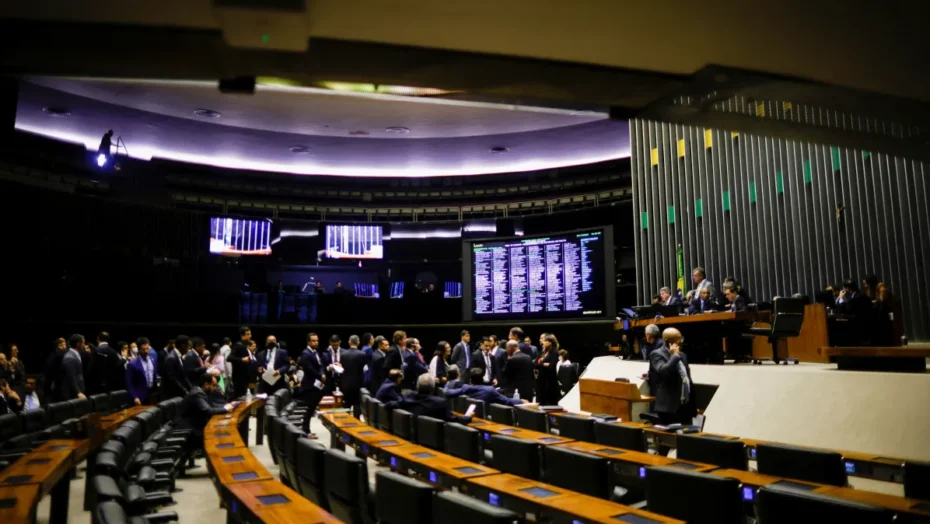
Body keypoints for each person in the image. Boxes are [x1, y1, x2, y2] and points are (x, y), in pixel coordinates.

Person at [177, 374, 232, 468]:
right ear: (206, 384)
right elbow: (208, 411)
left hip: (192, 425)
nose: (215, 388)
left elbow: (210, 407)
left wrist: (225, 407)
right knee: (219, 435)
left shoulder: (199, 392)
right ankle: (219, 468)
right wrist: (225, 409)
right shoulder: (197, 394)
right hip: (190, 429)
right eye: (213, 385)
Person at [648, 328, 695, 426]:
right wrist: (675, 356)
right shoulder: (656, 354)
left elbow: (686, 379)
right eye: (678, 339)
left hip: (685, 407)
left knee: (687, 438)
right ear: (668, 342)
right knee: (670, 440)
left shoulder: (683, 355)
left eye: (681, 337)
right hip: (669, 408)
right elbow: (663, 372)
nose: (681, 341)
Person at [385, 374, 471, 424]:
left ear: (417, 386)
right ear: (433, 388)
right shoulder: (439, 403)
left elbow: (390, 404)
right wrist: (468, 417)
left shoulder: (409, 396)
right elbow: (453, 419)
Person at [445, 368, 525, 407]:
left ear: (470, 380)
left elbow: (447, 392)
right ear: (482, 379)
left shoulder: (465, 388)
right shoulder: (489, 390)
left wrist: (447, 383)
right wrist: (521, 401)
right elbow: (507, 401)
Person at [298, 332, 325, 438]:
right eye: (313, 341)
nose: (315, 342)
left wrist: (322, 373)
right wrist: (320, 376)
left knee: (311, 409)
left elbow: (321, 365)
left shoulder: (315, 352)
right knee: (308, 410)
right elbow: (309, 370)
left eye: (317, 340)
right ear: (308, 342)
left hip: (316, 384)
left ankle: (307, 430)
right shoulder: (305, 354)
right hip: (309, 385)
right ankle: (305, 431)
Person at [339, 335, 368, 418]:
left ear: (349, 342)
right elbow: (365, 370)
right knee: (357, 404)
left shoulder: (343, 354)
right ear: (358, 343)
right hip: (358, 384)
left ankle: (345, 423)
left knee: (346, 405)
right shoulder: (362, 354)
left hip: (345, 384)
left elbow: (341, 369)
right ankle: (356, 421)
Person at [126, 337, 158, 406]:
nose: (146, 351)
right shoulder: (132, 364)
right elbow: (129, 383)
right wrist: (135, 397)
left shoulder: (153, 360)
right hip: (140, 397)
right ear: (138, 349)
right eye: (143, 349)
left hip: (152, 396)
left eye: (147, 348)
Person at [161, 335, 192, 400]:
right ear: (183, 346)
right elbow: (173, 380)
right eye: (188, 346)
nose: (189, 348)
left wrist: (192, 389)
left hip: (177, 394)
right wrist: (185, 391)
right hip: (170, 396)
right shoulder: (171, 358)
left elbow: (183, 377)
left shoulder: (178, 356)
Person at [535, 334, 561, 405]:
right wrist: (544, 364)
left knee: (550, 404)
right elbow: (535, 364)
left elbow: (551, 367)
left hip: (550, 382)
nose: (543, 342)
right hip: (541, 381)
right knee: (541, 402)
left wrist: (541, 364)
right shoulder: (542, 352)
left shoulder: (554, 352)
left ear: (550, 342)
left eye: (545, 341)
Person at [230, 326, 256, 399]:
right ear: (242, 335)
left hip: (244, 379)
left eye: (250, 334)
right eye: (248, 334)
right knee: (239, 399)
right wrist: (242, 359)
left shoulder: (244, 345)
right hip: (238, 379)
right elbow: (229, 358)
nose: (250, 336)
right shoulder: (239, 345)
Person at [59, 334, 87, 401]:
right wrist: (78, 392)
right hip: (72, 393)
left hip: (78, 390)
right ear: (78, 344)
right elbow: (71, 377)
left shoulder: (76, 354)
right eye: (83, 343)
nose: (84, 345)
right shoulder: (69, 358)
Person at [44, 338, 68, 402]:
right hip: (56, 386)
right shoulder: (53, 356)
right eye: (61, 345)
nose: (63, 347)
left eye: (64, 344)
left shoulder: (66, 355)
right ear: (56, 347)